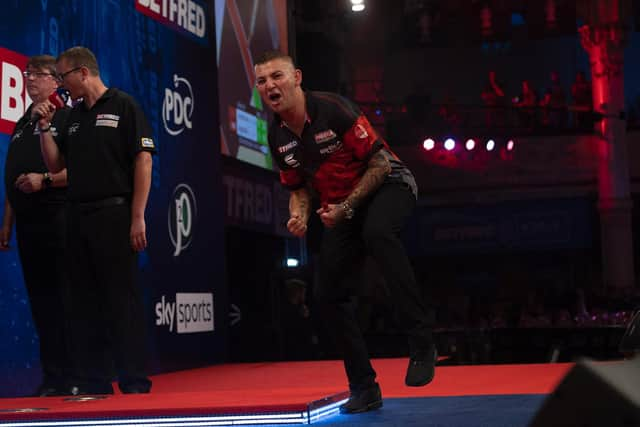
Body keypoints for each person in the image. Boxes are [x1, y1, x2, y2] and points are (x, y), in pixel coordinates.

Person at [254, 51, 436, 414]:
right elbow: (298, 188)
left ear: (297, 77)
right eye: (262, 80)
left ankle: (421, 342)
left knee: (379, 233)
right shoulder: (276, 136)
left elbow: (381, 163)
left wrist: (346, 208)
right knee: (327, 295)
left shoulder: (333, 110)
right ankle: (364, 388)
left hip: (390, 184)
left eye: (277, 76)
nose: (270, 85)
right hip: (341, 208)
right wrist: (300, 216)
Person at [34, 46, 154, 395]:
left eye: (63, 77)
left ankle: (133, 380)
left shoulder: (123, 105)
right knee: (83, 302)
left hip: (115, 214)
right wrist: (45, 127)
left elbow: (143, 161)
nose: (60, 86)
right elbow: (56, 166)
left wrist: (137, 216)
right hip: (76, 216)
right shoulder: (71, 117)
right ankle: (93, 380)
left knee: (122, 299)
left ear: (83, 72)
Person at [1, 55, 71, 396]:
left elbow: (84, 171)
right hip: (27, 226)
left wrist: (45, 179)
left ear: (56, 81)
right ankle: (54, 377)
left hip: (59, 220)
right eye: (27, 74)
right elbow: (11, 177)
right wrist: (7, 224)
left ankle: (76, 375)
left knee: (65, 301)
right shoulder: (20, 123)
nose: (29, 79)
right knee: (42, 303)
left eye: (37, 75)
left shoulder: (69, 117)